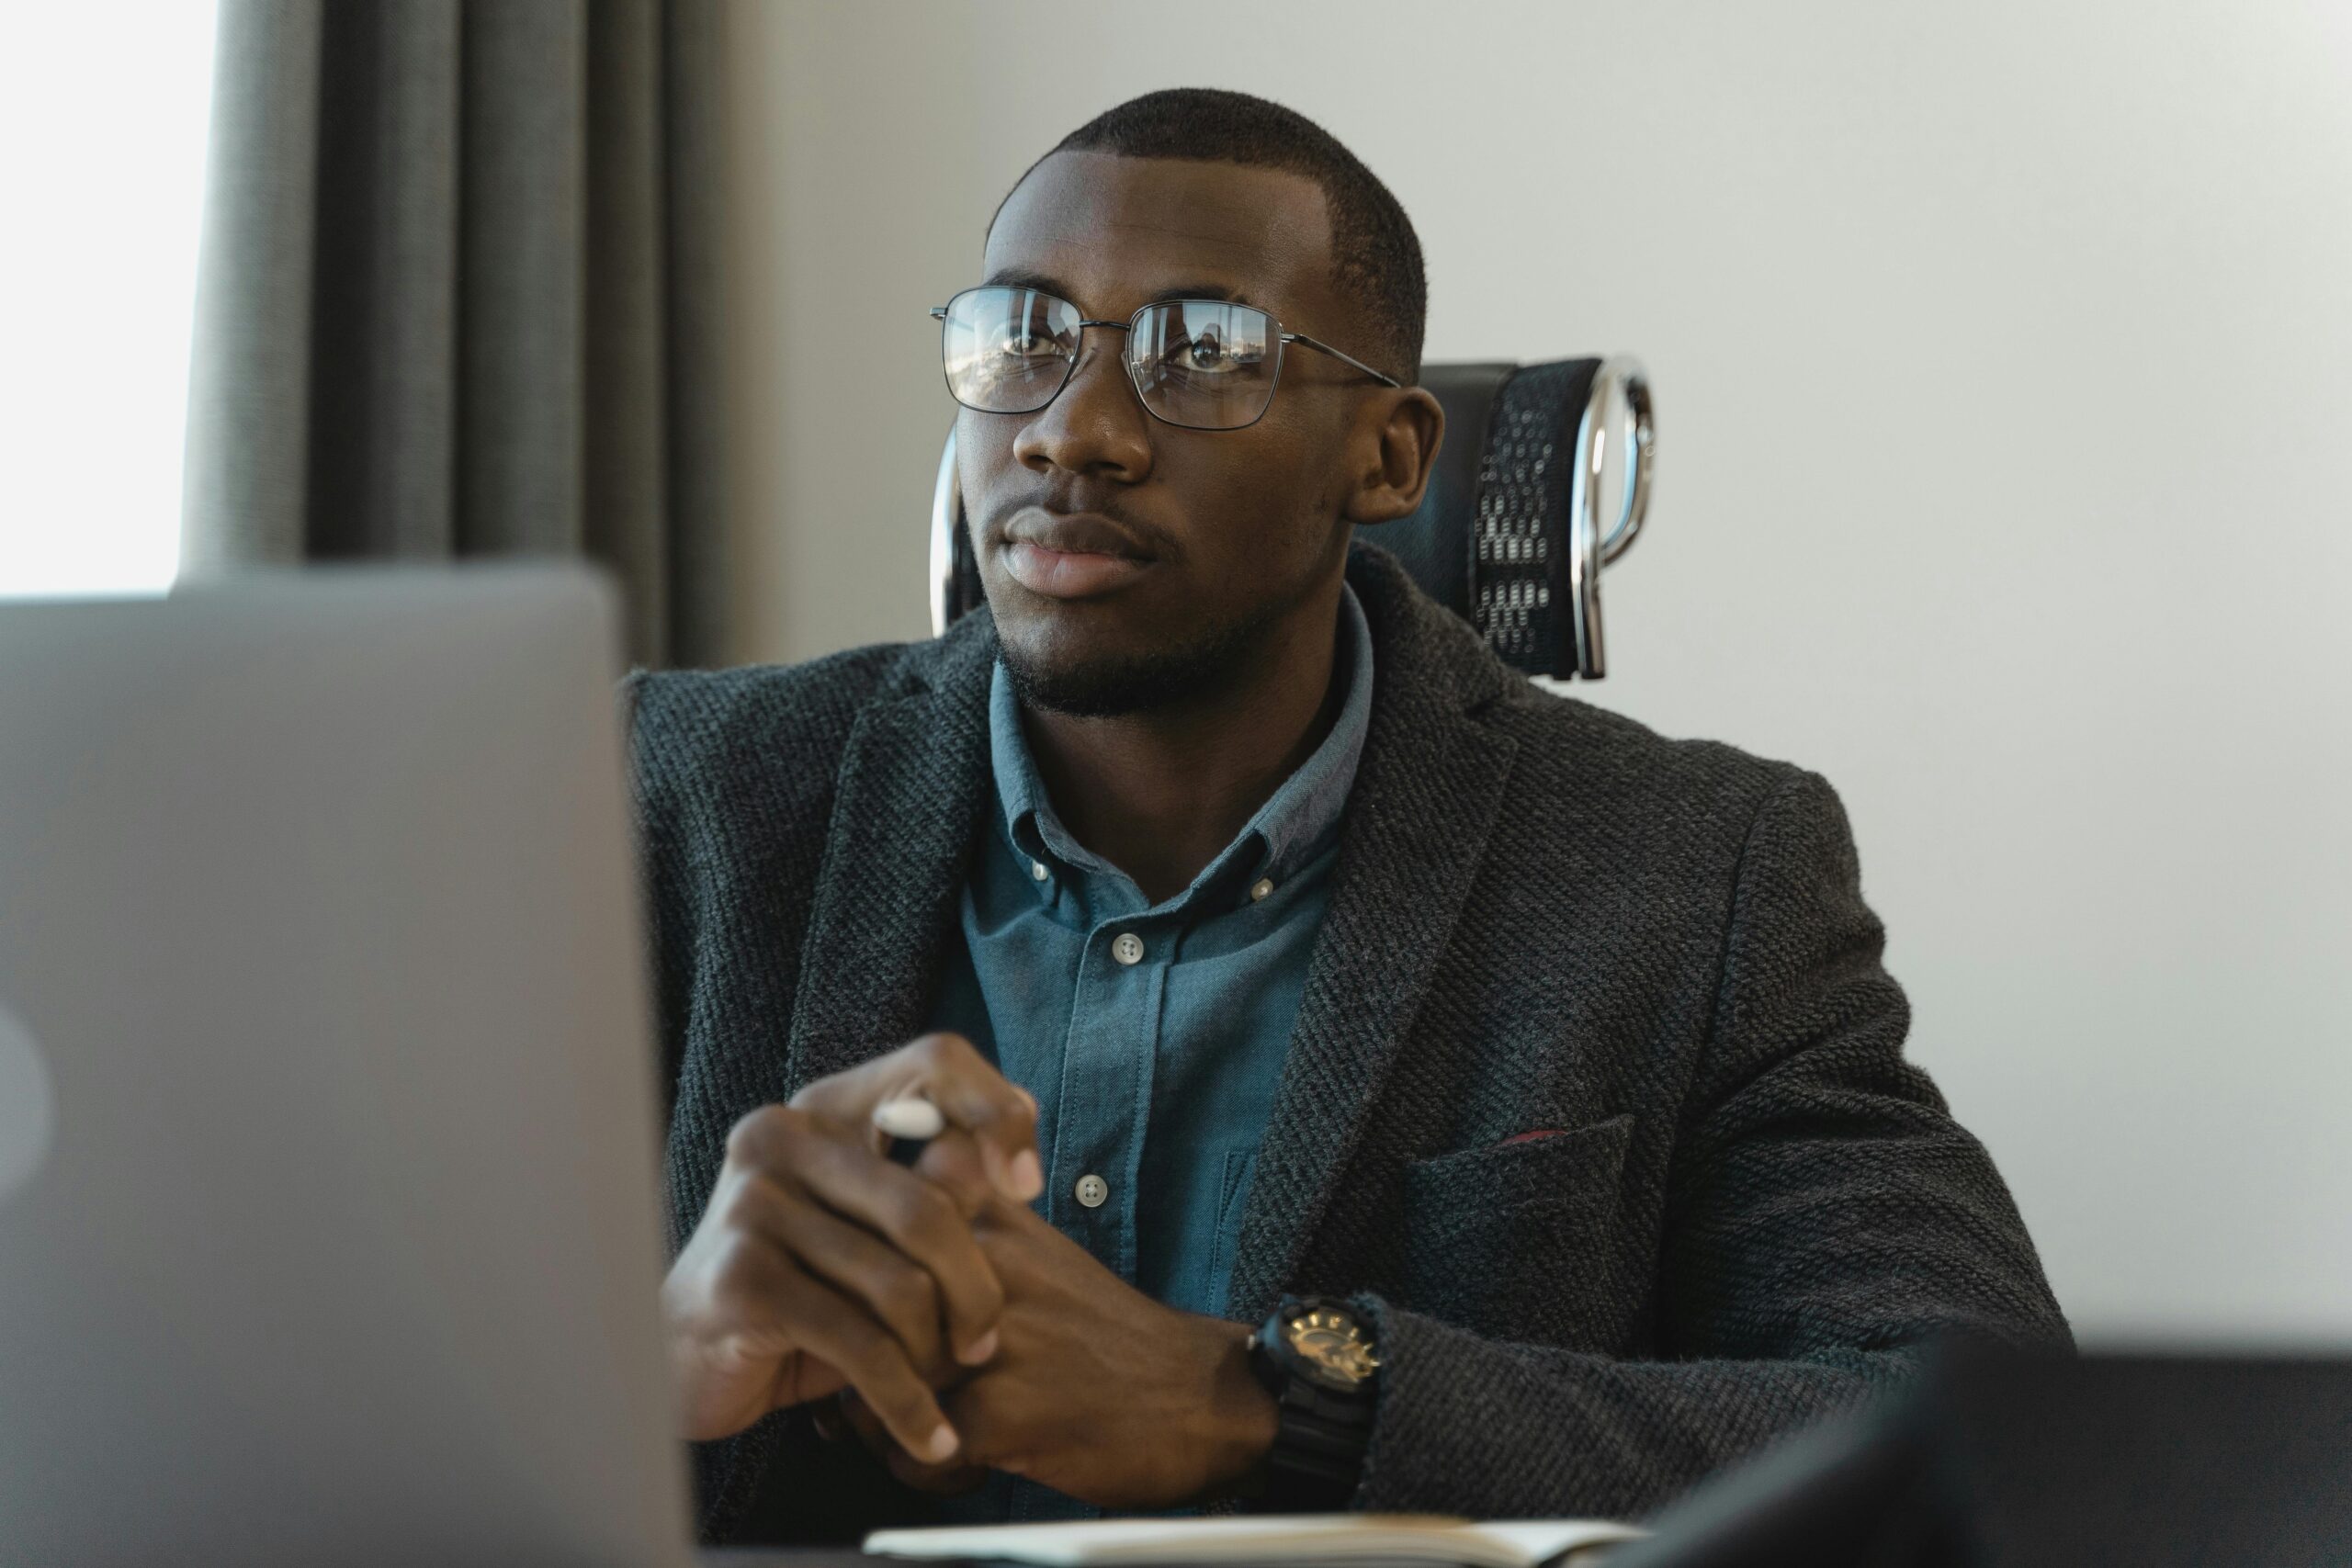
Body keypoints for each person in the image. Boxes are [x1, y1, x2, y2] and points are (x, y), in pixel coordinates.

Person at [628, 87, 2067, 1545]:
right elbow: (402, 1367)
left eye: (1205, 353)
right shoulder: (671, 802)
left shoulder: (1692, 873)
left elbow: (1975, 1426)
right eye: (1026, 335)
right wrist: (645, 1372)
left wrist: (1258, 1406)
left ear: (1388, 457)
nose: (1076, 433)